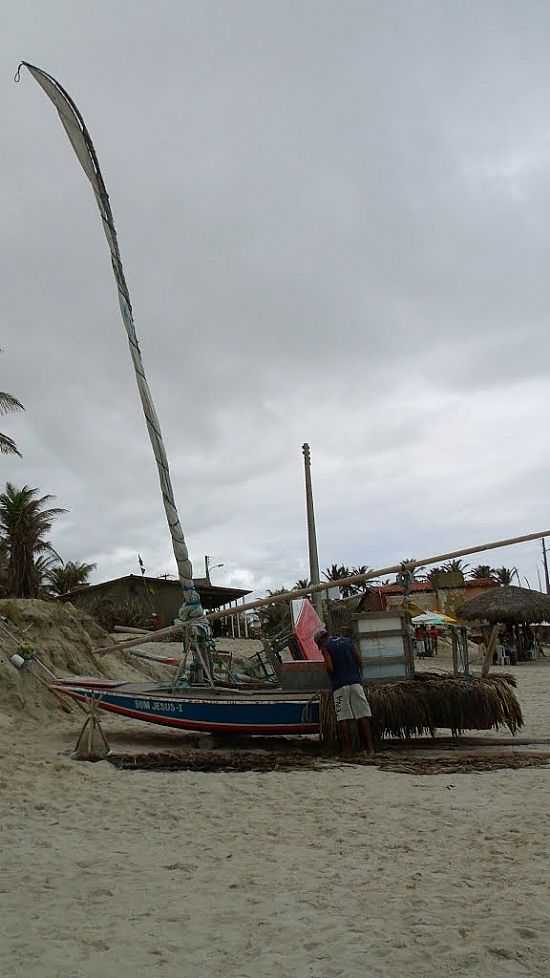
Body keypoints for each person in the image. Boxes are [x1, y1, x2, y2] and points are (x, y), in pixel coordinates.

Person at [314, 627, 374, 754]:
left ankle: (347, 750)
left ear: (320, 641)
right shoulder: (347, 641)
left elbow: (330, 667)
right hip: (356, 684)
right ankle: (369, 748)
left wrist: (326, 669)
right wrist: (356, 675)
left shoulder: (325, 647)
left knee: (343, 718)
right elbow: (359, 661)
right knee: (363, 716)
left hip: (340, 686)